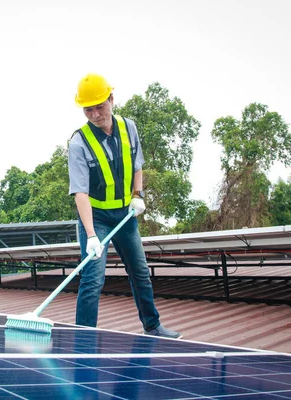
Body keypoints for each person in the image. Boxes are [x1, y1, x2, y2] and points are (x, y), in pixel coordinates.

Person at [67, 73, 182, 339]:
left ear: (112, 99)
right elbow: (80, 193)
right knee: (93, 279)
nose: (95, 114)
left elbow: (137, 164)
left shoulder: (129, 127)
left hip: (125, 214)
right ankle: (84, 337)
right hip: (95, 218)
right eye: (88, 109)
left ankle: (152, 325)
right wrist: (92, 236)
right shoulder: (78, 143)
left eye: (100, 106)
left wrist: (137, 194)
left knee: (140, 271)